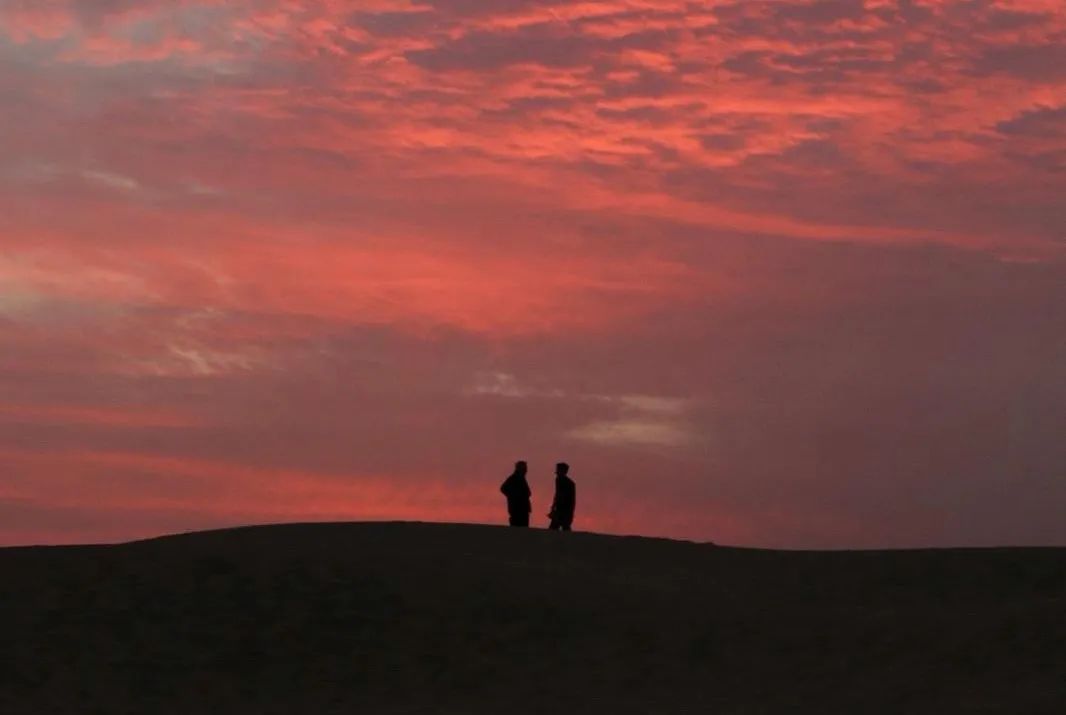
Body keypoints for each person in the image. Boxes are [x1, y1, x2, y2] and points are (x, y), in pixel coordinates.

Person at [500, 460, 532, 527]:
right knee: (517, 529)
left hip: (523, 509)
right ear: (520, 469)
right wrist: (514, 497)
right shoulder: (513, 478)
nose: (526, 471)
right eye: (524, 468)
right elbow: (503, 488)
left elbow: (527, 493)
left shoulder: (521, 478)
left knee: (522, 530)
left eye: (526, 468)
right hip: (517, 509)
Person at [548, 462, 576, 531]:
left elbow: (559, 495)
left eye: (558, 470)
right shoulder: (559, 480)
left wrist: (554, 507)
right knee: (561, 528)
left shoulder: (569, 483)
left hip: (565, 510)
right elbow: (557, 494)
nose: (557, 473)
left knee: (557, 528)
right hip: (561, 510)